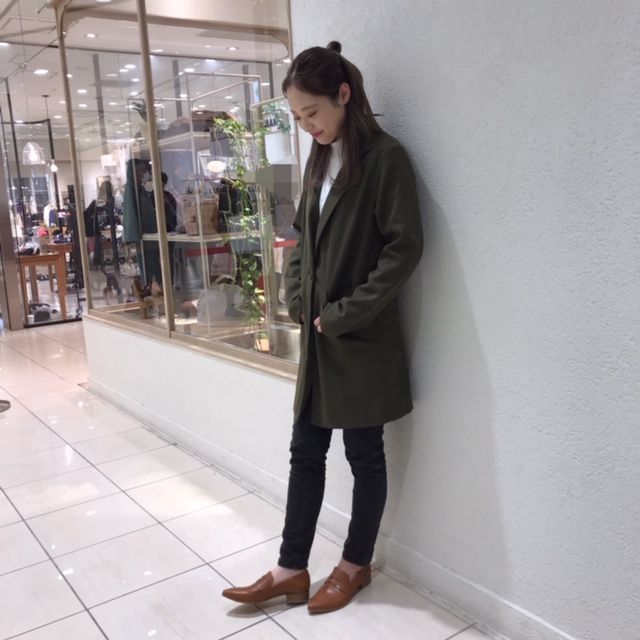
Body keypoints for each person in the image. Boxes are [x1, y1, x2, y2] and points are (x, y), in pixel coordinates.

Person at [221, 41, 423, 614]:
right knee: (305, 451)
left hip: (358, 339)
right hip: (317, 339)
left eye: (312, 112)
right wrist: (294, 297)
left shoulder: (385, 159)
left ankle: (355, 565)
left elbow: (404, 250)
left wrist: (344, 313)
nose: (307, 125)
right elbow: (301, 238)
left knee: (364, 455)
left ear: (344, 94)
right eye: (297, 117)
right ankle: (291, 569)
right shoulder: (319, 161)